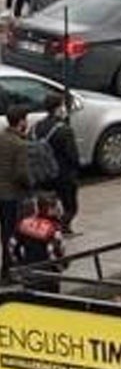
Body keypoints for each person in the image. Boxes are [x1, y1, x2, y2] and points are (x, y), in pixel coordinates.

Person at [34, 94, 78, 234]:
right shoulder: (64, 130)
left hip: (43, 174)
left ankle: (47, 228)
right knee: (70, 206)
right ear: (58, 108)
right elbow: (73, 156)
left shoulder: (36, 127)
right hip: (63, 175)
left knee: (47, 204)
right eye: (62, 106)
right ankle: (63, 227)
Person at [9, 194, 63, 293]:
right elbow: (55, 253)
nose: (59, 210)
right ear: (50, 209)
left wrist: (20, 263)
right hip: (48, 275)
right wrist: (59, 268)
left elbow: (12, 246)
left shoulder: (24, 223)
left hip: (29, 271)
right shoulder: (54, 229)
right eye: (56, 207)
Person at [0, 106, 29, 280]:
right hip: (10, 195)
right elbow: (22, 174)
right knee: (10, 233)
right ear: (21, 122)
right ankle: (8, 269)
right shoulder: (20, 144)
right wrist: (30, 184)